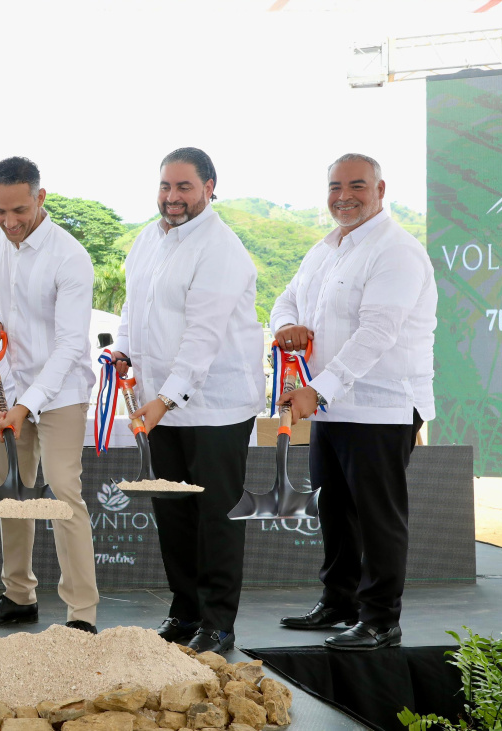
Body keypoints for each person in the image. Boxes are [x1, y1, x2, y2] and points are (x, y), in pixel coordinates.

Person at [274, 153, 435, 651]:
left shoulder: (397, 252)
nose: (344, 195)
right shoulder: (324, 250)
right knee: (336, 510)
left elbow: (378, 333)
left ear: (381, 190)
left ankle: (381, 619)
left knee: (377, 516)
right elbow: (288, 299)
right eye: (335, 186)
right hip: (333, 406)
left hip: (381, 406)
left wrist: (318, 388)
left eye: (357, 185)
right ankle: (338, 602)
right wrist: (285, 327)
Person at [113, 147, 264, 654]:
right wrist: (121, 351)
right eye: (165, 186)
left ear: (210, 187)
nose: (172, 197)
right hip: (160, 405)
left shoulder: (220, 247)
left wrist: (162, 400)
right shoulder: (148, 239)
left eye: (184, 187)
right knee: (174, 514)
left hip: (216, 406)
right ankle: (185, 611)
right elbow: (133, 308)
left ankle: (218, 623)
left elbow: (203, 337)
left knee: (215, 517)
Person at [0, 157, 100, 634]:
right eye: (0, 211)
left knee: (63, 491)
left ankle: (81, 614)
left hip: (61, 392)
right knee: (11, 495)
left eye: (19, 210)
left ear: (41, 198)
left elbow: (69, 347)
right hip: (11, 386)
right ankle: (18, 596)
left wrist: (26, 406)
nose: (9, 222)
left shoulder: (71, 258)